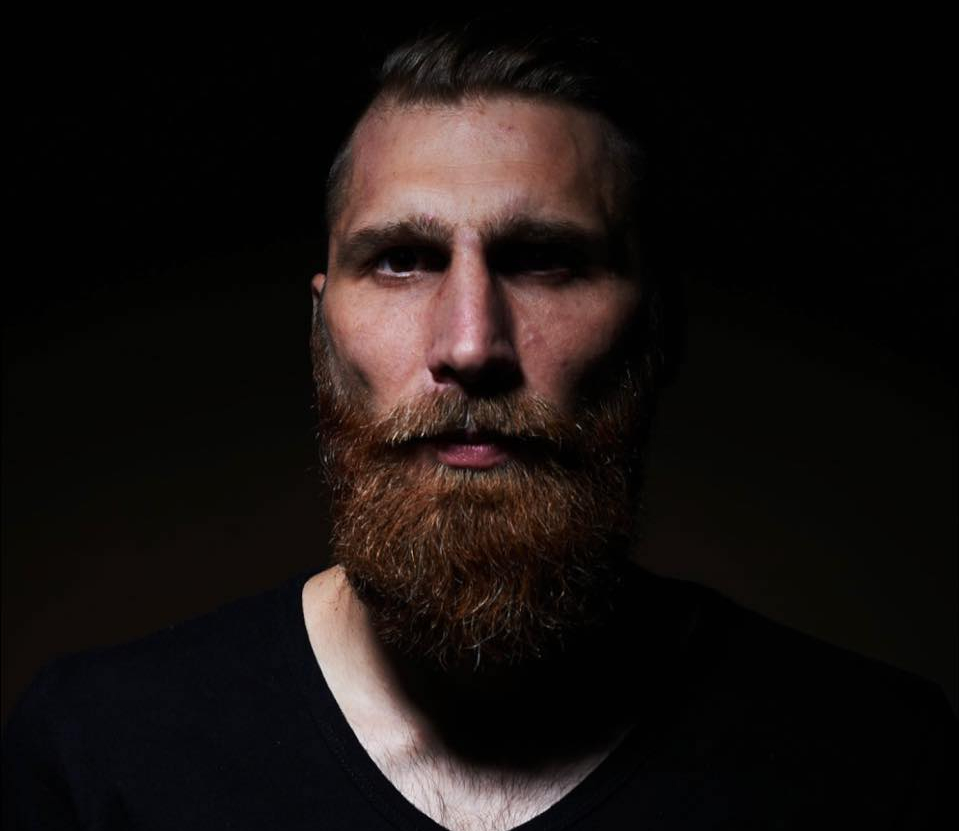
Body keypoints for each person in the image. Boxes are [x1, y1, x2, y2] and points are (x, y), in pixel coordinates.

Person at [4, 24, 956, 830]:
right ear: (319, 331)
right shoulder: (96, 755)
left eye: (544, 260)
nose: (469, 344)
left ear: (656, 328)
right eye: (402, 260)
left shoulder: (879, 765)